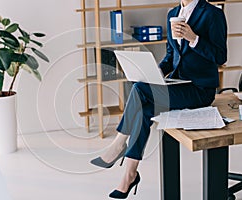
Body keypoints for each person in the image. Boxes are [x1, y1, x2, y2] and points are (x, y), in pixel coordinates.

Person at [90, 0, 227, 198]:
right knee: (144, 108)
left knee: (139, 90)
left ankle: (119, 144)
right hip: (177, 83)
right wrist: (156, 72)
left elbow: (221, 56)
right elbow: (171, 55)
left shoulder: (212, 14)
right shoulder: (172, 13)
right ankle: (129, 174)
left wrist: (193, 38)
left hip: (200, 89)